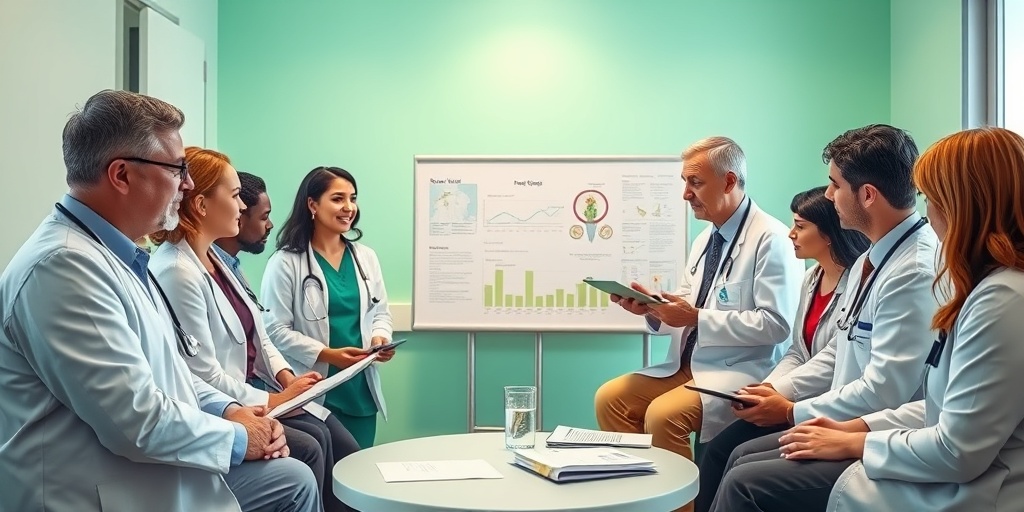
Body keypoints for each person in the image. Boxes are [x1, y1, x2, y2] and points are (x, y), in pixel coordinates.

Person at [0, 89, 319, 512]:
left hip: (143, 476)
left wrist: (230, 411)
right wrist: (241, 439)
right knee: (294, 476)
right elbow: (135, 420)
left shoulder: (120, 256)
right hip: (92, 493)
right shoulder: (63, 267)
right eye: (178, 169)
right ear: (122, 175)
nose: (186, 185)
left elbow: (168, 375)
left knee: (293, 477)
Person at [781, 126, 1024, 511]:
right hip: (930, 455)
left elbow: (957, 450)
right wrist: (857, 428)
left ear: (963, 204)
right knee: (747, 463)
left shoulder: (1002, 298)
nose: (927, 211)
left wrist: (856, 440)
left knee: (750, 482)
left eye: (930, 197)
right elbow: (938, 405)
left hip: (979, 489)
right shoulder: (985, 285)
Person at [709, 124, 940, 512]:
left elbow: (886, 390)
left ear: (867, 195)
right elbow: (838, 348)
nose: (829, 195)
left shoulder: (913, 271)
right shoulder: (871, 257)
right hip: (845, 416)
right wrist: (780, 393)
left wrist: (791, 411)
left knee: (743, 480)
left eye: (834, 185)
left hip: (882, 432)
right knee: (736, 456)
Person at [594, 136, 804, 511]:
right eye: (684, 182)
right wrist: (653, 309)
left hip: (741, 370)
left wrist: (694, 317)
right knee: (611, 398)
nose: (686, 194)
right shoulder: (707, 238)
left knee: (664, 415)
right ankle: (639, 501)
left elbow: (777, 326)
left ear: (728, 181)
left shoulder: (772, 239)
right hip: (689, 365)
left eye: (695, 182)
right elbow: (690, 300)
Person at [149, 149, 361, 511]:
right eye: (234, 198)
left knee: (329, 440)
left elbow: (258, 333)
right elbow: (199, 373)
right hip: (217, 413)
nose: (241, 209)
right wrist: (272, 401)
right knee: (310, 446)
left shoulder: (218, 260)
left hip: (244, 399)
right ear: (201, 205)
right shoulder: (176, 271)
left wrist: (286, 382)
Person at [694, 185, 869, 511]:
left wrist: (780, 398)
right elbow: (797, 351)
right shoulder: (811, 279)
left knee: (734, 460)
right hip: (793, 398)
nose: (791, 234)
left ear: (829, 233)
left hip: (824, 406)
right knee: (722, 450)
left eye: (801, 226)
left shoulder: (857, 286)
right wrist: (767, 389)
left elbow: (833, 360)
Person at [262, 166, 396, 449]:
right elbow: (274, 330)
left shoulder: (365, 257)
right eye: (338, 199)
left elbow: (380, 313)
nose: (349, 207)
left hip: (359, 390)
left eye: (353, 198)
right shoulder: (286, 263)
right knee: (324, 480)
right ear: (312, 204)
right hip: (314, 390)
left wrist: (379, 339)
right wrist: (327, 354)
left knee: (357, 476)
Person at [213, 170, 274, 285]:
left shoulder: (234, 268)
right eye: (264, 217)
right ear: (239, 215)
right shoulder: (208, 270)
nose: (270, 225)